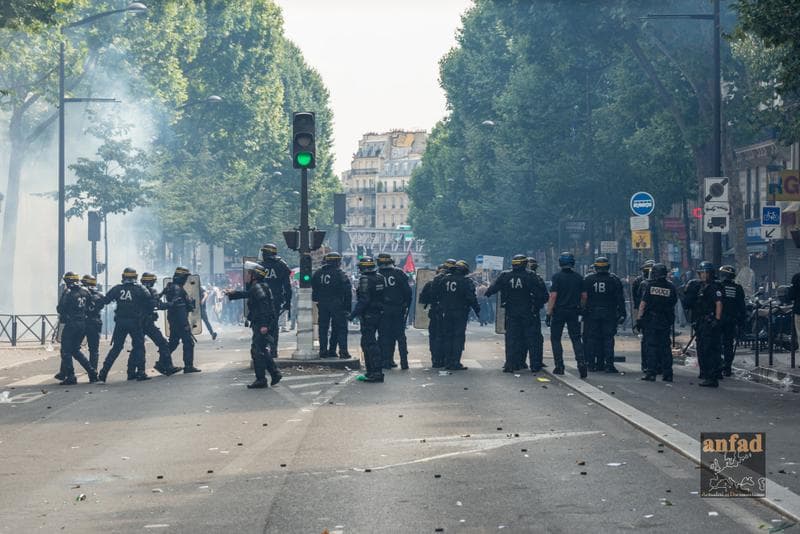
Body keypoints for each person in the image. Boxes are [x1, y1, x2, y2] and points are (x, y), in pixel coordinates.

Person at [226, 261, 282, 389]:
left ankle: (262, 379)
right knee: (260, 349)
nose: (246, 276)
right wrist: (233, 294)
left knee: (257, 351)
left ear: (254, 275)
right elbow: (248, 294)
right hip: (262, 323)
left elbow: (264, 308)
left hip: (262, 323)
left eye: (248, 273)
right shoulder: (259, 287)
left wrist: (264, 325)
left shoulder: (258, 287)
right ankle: (274, 373)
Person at [485, 254, 543, 372]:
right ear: (525, 264)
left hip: (511, 312)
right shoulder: (531, 276)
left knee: (511, 339)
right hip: (528, 312)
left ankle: (510, 364)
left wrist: (488, 293)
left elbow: (492, 290)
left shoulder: (505, 275)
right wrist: (536, 306)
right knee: (531, 339)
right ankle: (535, 365)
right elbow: (542, 295)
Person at [98, 268, 151, 382]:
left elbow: (105, 300)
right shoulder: (140, 289)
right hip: (135, 322)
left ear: (123, 277)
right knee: (139, 346)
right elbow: (150, 302)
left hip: (120, 322)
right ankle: (141, 372)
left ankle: (103, 374)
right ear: (135, 277)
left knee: (116, 348)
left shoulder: (117, 289)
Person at [582, 257, 626, 373]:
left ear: (596, 267)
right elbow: (620, 299)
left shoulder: (588, 279)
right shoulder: (614, 280)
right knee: (608, 339)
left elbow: (583, 297)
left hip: (592, 313)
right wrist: (622, 313)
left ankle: (591, 364)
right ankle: (609, 364)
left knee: (591, 338)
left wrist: (582, 311)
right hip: (609, 313)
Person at [683, 261, 723, 387]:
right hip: (702, 322)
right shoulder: (702, 286)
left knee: (708, 349)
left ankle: (712, 377)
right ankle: (707, 374)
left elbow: (719, 303)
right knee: (702, 349)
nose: (702, 275)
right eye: (701, 273)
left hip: (709, 322)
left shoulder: (713, 287)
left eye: (704, 273)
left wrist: (716, 319)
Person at [546, 252, 586, 377]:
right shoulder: (579, 277)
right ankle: (581, 363)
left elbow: (553, 296)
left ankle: (559, 366)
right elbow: (584, 296)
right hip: (573, 311)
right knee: (576, 338)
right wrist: (581, 307)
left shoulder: (557, 277)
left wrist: (549, 313)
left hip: (559, 311)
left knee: (556, 338)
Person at [436, 260, 480, 371]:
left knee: (448, 336)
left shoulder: (444, 279)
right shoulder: (466, 281)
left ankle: (447, 361)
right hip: (460, 312)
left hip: (447, 312)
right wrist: (477, 310)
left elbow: (438, 294)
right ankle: (455, 362)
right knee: (458, 337)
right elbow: (471, 298)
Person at [636, 263, 677, 382]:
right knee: (665, 347)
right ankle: (668, 373)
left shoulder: (650, 286)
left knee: (651, 347)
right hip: (665, 320)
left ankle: (651, 372)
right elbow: (673, 302)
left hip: (651, 321)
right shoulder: (671, 287)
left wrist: (639, 319)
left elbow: (643, 303)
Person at [55, 272, 97, 385]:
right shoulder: (85, 291)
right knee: (75, 350)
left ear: (68, 281)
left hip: (71, 324)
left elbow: (60, 309)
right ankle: (92, 372)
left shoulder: (68, 292)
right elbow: (90, 306)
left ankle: (71, 376)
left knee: (66, 351)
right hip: (82, 324)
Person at [349, 256, 386, 382]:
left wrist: (353, 314)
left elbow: (364, 299)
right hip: (379, 314)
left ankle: (375, 372)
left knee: (369, 344)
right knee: (370, 343)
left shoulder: (365, 279)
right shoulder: (380, 278)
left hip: (369, 314)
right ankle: (371, 372)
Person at [312, 252, 352, 359]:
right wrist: (347, 308)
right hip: (337, 304)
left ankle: (323, 351)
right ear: (337, 262)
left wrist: (318, 301)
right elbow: (348, 292)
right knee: (340, 328)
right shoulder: (340, 273)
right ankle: (342, 351)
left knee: (323, 328)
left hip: (322, 304)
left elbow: (314, 289)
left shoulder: (318, 273)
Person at [140, 272, 182, 376]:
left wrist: (162, 293)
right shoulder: (151, 290)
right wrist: (171, 303)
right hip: (148, 323)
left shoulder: (137, 289)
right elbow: (157, 304)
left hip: (138, 322)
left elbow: (152, 300)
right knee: (163, 344)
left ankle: (131, 371)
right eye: (153, 281)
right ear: (150, 282)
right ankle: (167, 367)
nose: (154, 283)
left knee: (138, 347)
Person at [377, 253, 413, 369]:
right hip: (398, 309)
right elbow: (408, 292)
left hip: (383, 310)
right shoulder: (399, 273)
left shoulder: (377, 274)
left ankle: (386, 361)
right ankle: (404, 362)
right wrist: (406, 305)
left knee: (384, 336)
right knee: (400, 336)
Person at [164, 266, 201, 373]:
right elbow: (179, 308)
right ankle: (188, 366)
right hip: (179, 320)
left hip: (174, 319)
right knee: (188, 342)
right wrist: (185, 324)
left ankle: (162, 362)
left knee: (174, 342)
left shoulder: (173, 287)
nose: (186, 280)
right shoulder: (177, 289)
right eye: (185, 277)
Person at [259, 244, 292, 356]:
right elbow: (287, 286)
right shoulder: (282, 265)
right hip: (275, 300)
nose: (262, 255)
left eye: (264, 253)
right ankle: (273, 350)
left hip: (261, 300)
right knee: (273, 326)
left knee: (261, 325)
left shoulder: (260, 267)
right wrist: (288, 302)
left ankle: (262, 350)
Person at [419, 262, 451, 368]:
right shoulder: (450, 284)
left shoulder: (430, 283)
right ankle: (446, 359)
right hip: (447, 313)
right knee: (447, 336)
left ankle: (436, 360)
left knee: (434, 337)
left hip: (435, 312)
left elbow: (422, 299)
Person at [718, 265, 746, 377]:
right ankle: (727, 368)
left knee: (718, 344)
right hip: (731, 320)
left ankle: (719, 365)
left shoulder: (718, 286)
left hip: (719, 319)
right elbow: (742, 307)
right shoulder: (738, 288)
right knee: (728, 344)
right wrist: (741, 322)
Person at [632, 260, 655, 373]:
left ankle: (647, 366)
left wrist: (638, 319)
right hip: (652, 317)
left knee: (647, 342)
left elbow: (638, 303)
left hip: (647, 317)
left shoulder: (641, 282)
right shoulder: (639, 282)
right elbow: (637, 303)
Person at [526, 258, 549, 369]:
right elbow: (545, 296)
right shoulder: (538, 279)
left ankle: (517, 362)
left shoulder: (515, 276)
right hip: (533, 312)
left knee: (519, 338)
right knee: (535, 339)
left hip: (517, 313)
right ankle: (536, 362)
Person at [80, 274, 104, 372]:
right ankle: (93, 370)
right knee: (94, 349)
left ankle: (89, 368)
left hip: (83, 322)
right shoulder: (100, 295)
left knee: (74, 348)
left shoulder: (81, 294)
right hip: (95, 322)